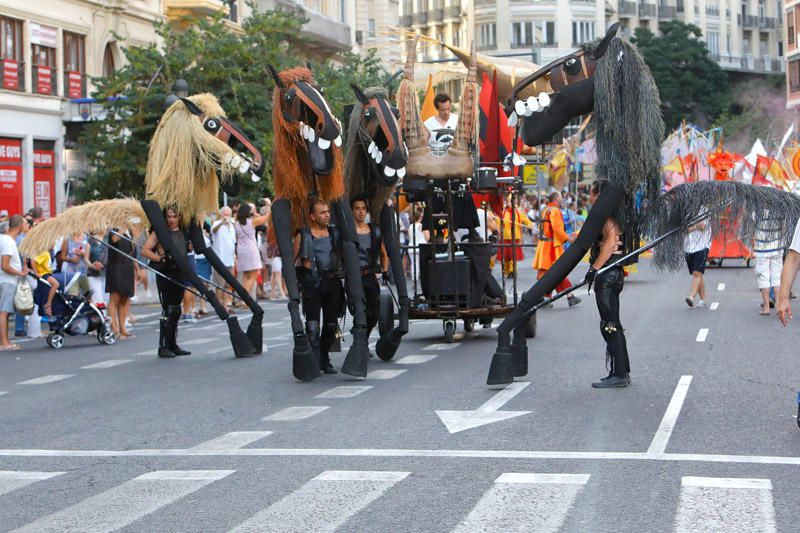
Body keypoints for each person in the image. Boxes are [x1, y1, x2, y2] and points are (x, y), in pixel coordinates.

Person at [584, 181, 629, 388]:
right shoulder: (615, 215)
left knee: (609, 325)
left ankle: (619, 374)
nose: (589, 198)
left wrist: (594, 268)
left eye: (591, 194)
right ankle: (621, 370)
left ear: (597, 195)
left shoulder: (608, 218)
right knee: (613, 324)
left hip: (608, 274)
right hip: (614, 274)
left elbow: (610, 244)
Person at [294, 199, 344, 374]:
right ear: (312, 216)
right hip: (312, 283)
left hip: (333, 282)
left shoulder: (335, 233)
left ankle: (324, 359)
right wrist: (293, 288)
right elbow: (292, 262)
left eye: (327, 211)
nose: (327, 215)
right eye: (322, 212)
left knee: (331, 325)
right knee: (313, 327)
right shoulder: (303, 234)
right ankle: (313, 360)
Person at [140, 206, 191, 358]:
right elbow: (145, 250)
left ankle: (172, 344)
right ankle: (163, 346)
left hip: (180, 272)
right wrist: (160, 258)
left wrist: (188, 248)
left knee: (176, 310)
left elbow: (183, 249)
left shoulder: (183, 231)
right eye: (169, 216)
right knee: (167, 310)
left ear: (180, 217)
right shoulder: (160, 232)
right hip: (165, 272)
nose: (171, 220)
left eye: (174, 216)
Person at [532, 192, 581, 307]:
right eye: (560, 198)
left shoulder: (546, 209)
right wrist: (568, 238)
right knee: (557, 272)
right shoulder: (554, 211)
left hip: (546, 245)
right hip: (551, 247)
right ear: (556, 199)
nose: (562, 199)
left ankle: (547, 298)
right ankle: (567, 296)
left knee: (548, 274)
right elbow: (557, 229)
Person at [351, 197, 389, 344]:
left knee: (373, 313)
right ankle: (360, 343)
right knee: (359, 311)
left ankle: (363, 339)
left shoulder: (374, 231)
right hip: (354, 278)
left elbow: (383, 253)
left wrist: (385, 271)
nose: (360, 212)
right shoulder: (348, 233)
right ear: (352, 211)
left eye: (363, 208)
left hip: (370, 276)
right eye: (357, 208)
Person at [0, 215, 29, 350]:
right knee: (4, 311)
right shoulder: (8, 241)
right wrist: (20, 273)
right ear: (19, 226)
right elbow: (5, 265)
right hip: (7, 280)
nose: (26, 225)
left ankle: (5, 341)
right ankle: (5, 343)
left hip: (6, 280)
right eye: (25, 223)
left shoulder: (6, 240)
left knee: (4, 311)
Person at [235, 203, 270, 300]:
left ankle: (242, 298)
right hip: (251, 249)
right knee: (253, 274)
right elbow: (267, 217)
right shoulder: (252, 221)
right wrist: (269, 205)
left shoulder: (237, 223)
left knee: (246, 276)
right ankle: (244, 299)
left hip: (241, 249)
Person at [105, 229, 136, 339]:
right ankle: (114, 327)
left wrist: (136, 268)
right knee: (115, 298)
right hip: (116, 267)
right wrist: (123, 228)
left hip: (128, 267)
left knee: (125, 298)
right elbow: (114, 240)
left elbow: (132, 252)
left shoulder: (130, 231)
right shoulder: (114, 230)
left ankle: (123, 328)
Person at [752, 210, 783, 316]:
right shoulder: (780, 208)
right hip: (777, 247)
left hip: (761, 249)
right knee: (777, 277)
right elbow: (784, 228)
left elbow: (751, 225)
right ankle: (779, 305)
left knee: (763, 277)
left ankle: (766, 307)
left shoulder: (758, 209)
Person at [499, 196, 534, 277]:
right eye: (509, 202)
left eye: (512, 202)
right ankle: (507, 271)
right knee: (506, 256)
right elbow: (498, 221)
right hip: (505, 237)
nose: (511, 204)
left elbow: (526, 220)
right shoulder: (503, 212)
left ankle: (513, 271)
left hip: (515, 237)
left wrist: (530, 225)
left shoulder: (518, 212)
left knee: (513, 255)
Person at [683, 209, 712, 308]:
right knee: (697, 274)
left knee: (697, 273)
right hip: (688, 246)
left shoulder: (703, 210)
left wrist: (691, 227)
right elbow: (683, 229)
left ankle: (691, 297)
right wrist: (694, 227)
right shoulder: (684, 209)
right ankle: (703, 299)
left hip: (702, 245)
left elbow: (702, 226)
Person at [211, 206, 236, 312]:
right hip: (219, 259)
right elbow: (214, 230)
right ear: (221, 215)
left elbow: (233, 243)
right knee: (219, 285)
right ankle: (218, 306)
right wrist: (222, 222)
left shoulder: (231, 226)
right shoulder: (217, 224)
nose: (227, 216)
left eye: (228, 214)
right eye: (225, 214)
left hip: (229, 259)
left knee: (228, 285)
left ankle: (226, 305)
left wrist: (234, 257)